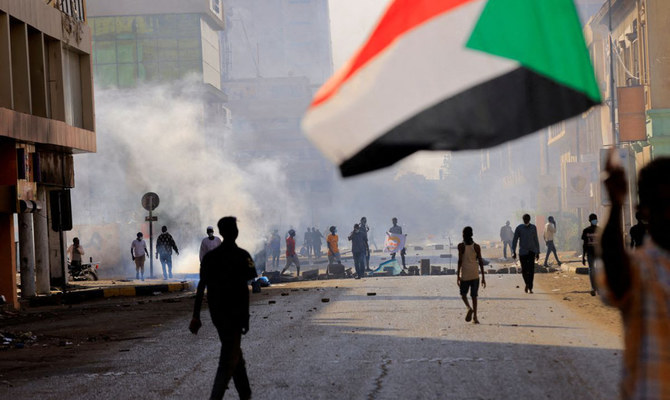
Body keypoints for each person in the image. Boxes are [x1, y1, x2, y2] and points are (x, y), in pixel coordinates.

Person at [600, 153, 670, 400]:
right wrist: (616, 204)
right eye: (663, 205)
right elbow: (616, 270)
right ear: (643, 211)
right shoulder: (641, 267)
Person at [189, 216, 257, 400]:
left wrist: (196, 316)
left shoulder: (211, 258)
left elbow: (201, 287)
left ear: (220, 232)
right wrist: (246, 317)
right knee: (227, 359)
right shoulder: (243, 256)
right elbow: (246, 289)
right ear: (235, 232)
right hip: (235, 314)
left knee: (234, 353)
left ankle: (245, 393)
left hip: (218, 314)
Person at [457, 226, 486, 324]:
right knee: (474, 296)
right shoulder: (476, 246)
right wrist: (483, 277)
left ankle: (469, 308)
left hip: (465, 274)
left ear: (463, 235)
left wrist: (458, 275)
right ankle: (475, 318)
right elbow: (481, 262)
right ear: (472, 234)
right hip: (475, 274)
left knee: (463, 294)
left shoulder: (461, 246)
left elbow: (460, 261)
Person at [512, 214, 540, 293]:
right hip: (523, 252)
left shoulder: (533, 227)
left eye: (527, 219)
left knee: (531, 270)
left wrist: (537, 252)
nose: (526, 220)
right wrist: (513, 251)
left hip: (532, 252)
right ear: (523, 219)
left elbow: (536, 240)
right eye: (524, 219)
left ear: (529, 219)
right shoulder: (519, 228)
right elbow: (515, 240)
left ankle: (530, 287)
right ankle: (527, 283)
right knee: (524, 270)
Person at [581, 213, 599, 296]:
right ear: (590, 221)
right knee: (592, 270)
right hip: (590, 253)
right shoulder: (586, 231)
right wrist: (583, 256)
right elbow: (584, 244)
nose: (595, 221)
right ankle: (593, 287)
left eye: (595, 219)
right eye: (593, 219)